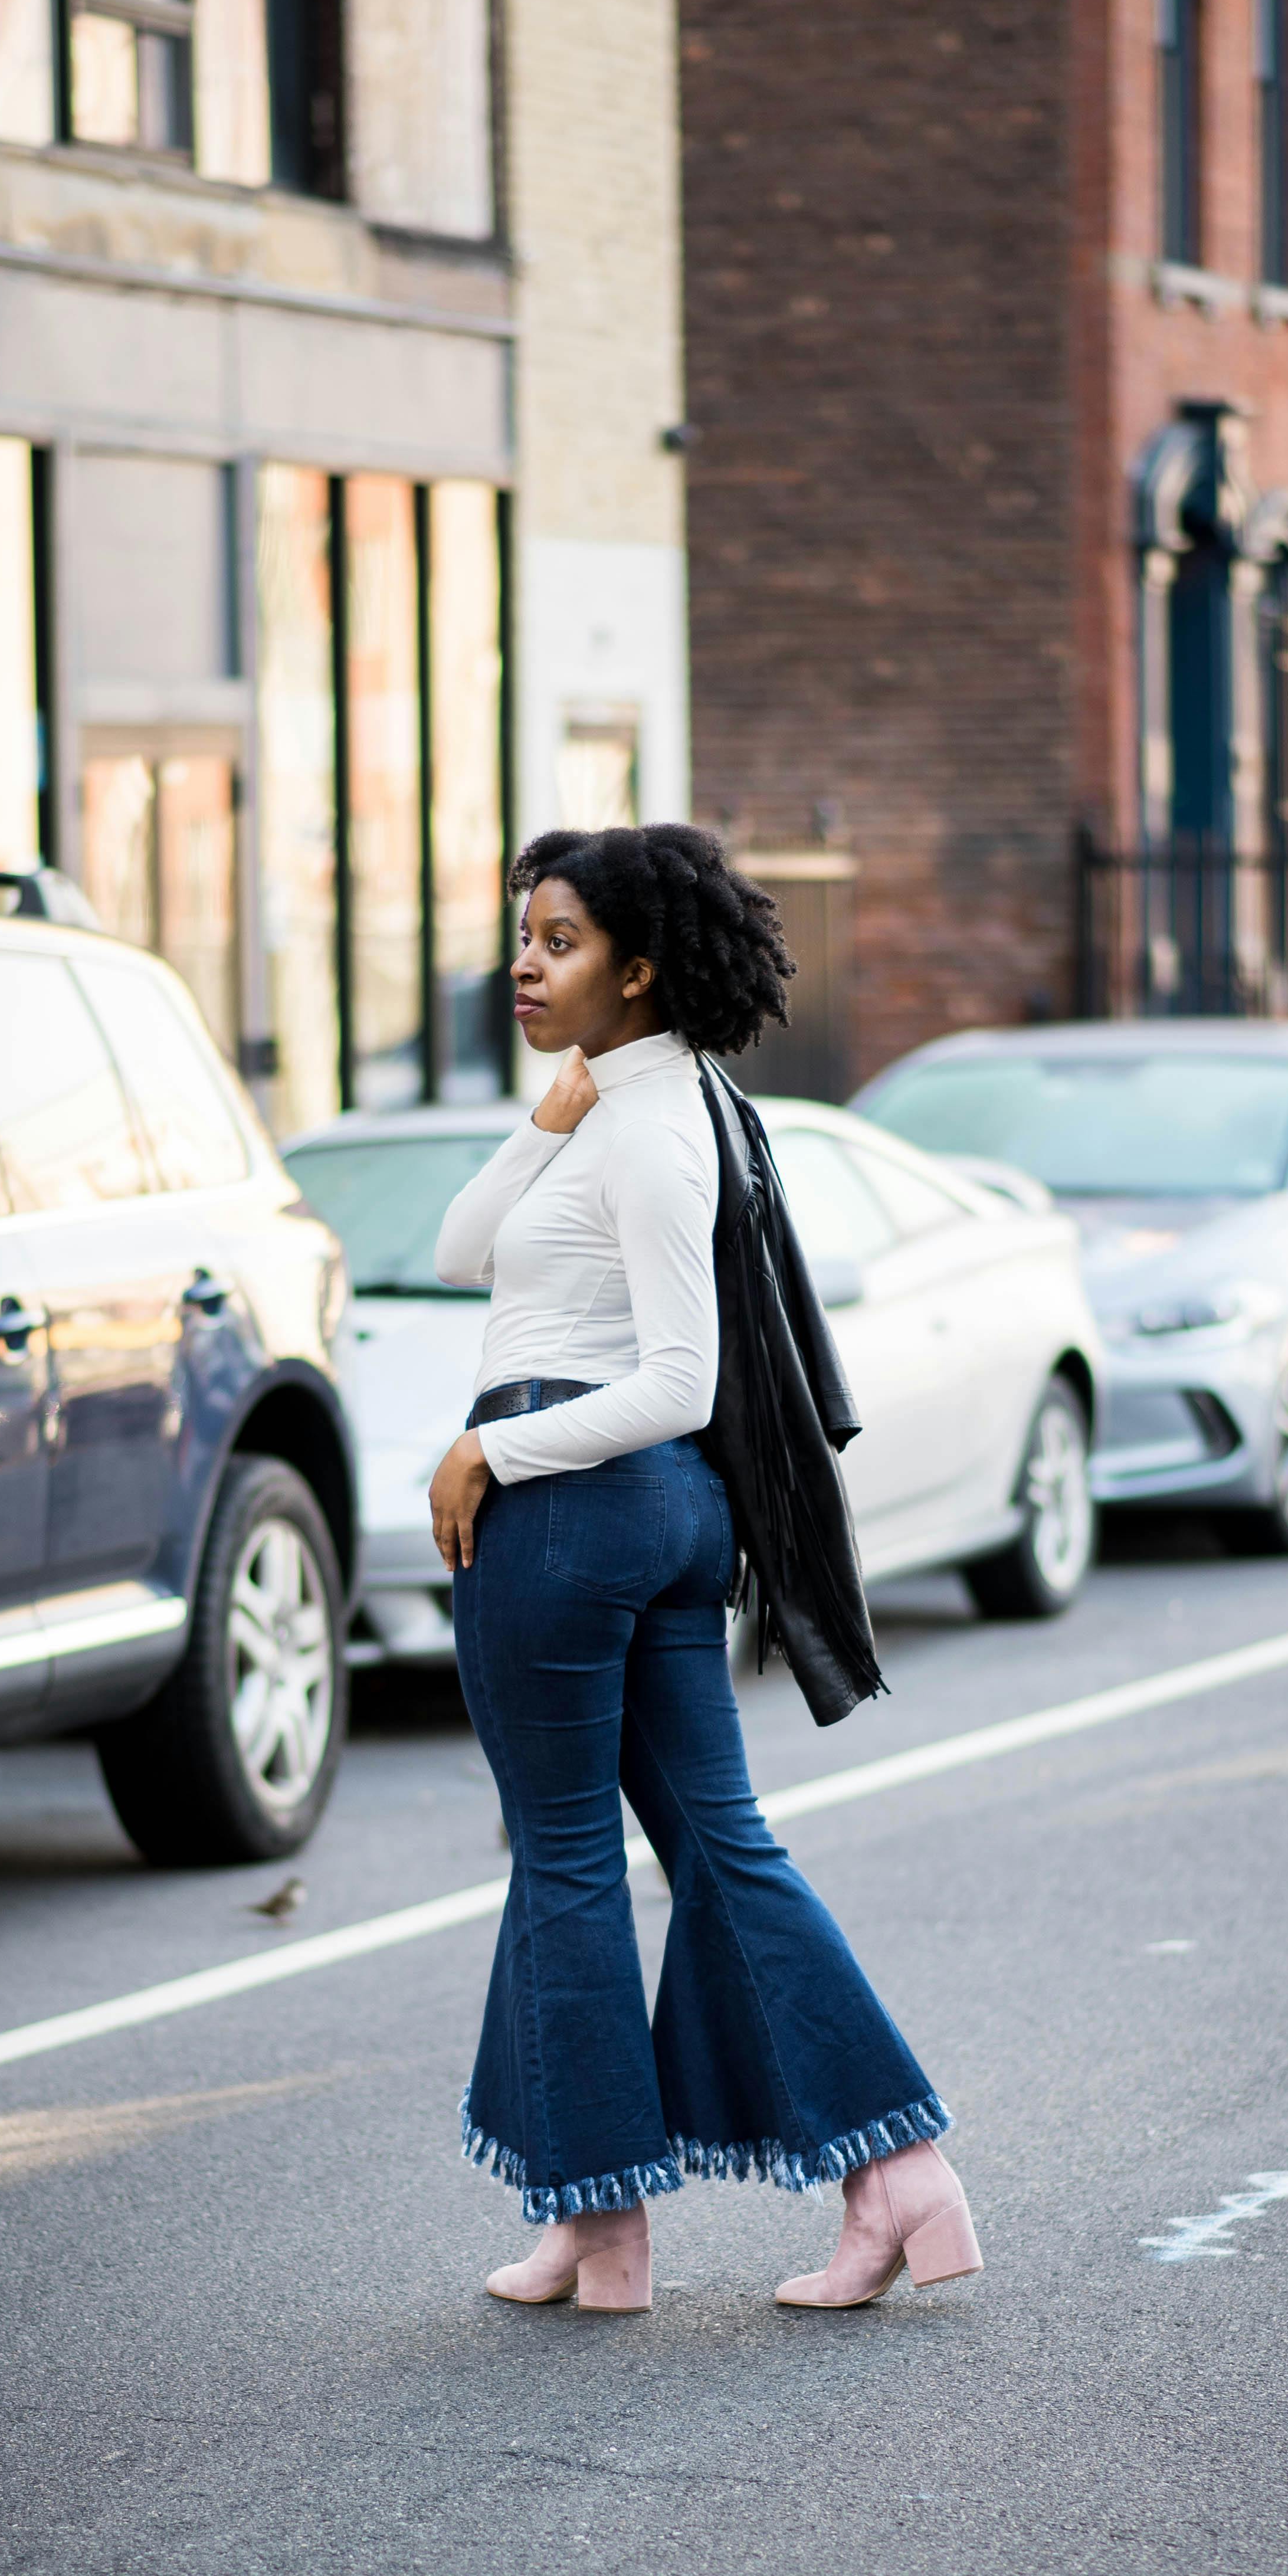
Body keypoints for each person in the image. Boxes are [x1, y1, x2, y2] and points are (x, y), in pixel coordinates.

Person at [428, 823, 980, 2315]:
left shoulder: (664, 1131)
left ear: (643, 966)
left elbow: (681, 1375)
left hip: (574, 1505)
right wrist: (551, 1113)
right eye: (525, 936)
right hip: (659, 1524)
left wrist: (494, 1456)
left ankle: (603, 2228)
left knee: (562, 1858)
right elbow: (461, 1236)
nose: (525, 964)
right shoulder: (633, 1108)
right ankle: (898, 2176)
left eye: (560, 942)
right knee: (721, 1848)